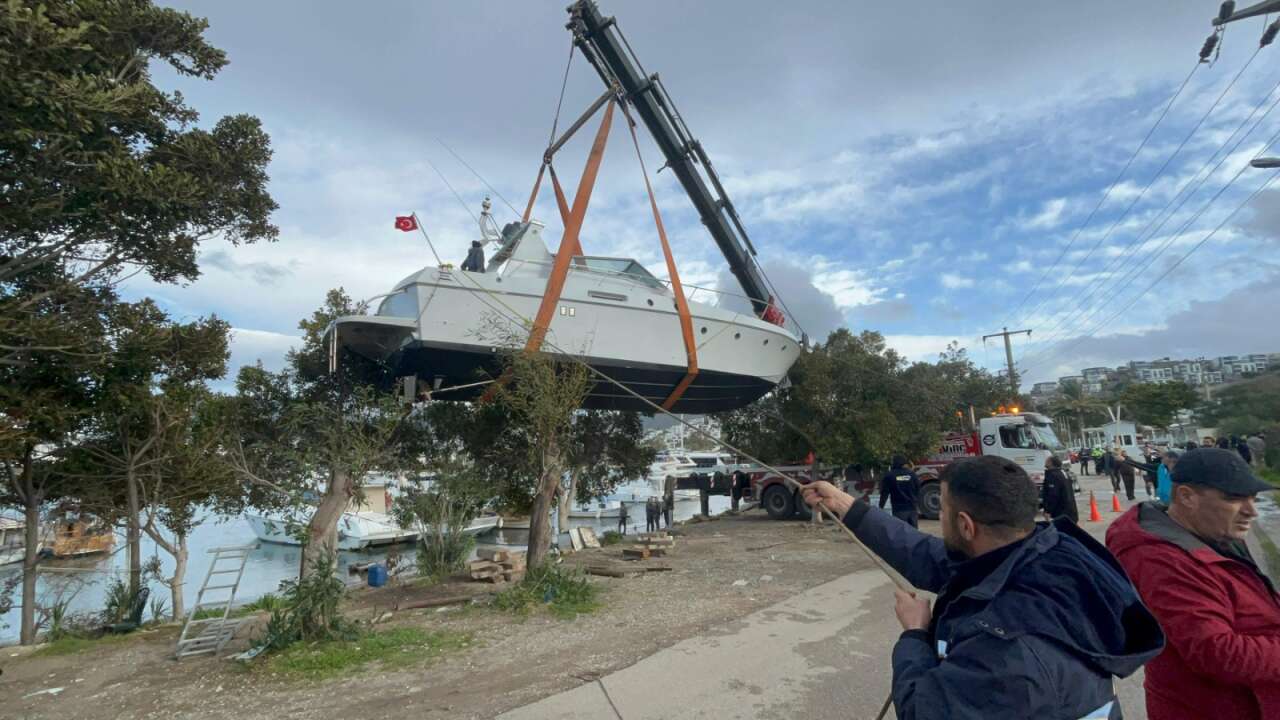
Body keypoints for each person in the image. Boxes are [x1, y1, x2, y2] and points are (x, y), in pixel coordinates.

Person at [800, 456, 1163, 717]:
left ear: (966, 525)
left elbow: (922, 710)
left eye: (941, 510)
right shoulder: (1041, 560)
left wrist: (913, 634)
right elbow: (927, 555)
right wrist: (847, 506)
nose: (937, 518)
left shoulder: (1010, 645)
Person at [1106, 448, 1280, 719]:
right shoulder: (1160, 560)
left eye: (1253, 498)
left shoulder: (1213, 531)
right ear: (1187, 496)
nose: (1251, 511)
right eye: (1234, 499)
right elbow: (1217, 653)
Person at [878, 455, 921, 527]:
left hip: (899, 510)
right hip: (912, 509)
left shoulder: (889, 475)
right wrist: (916, 502)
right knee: (913, 533)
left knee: (901, 532)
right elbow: (918, 489)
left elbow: (884, 493)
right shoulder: (912, 474)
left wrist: (881, 507)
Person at [1041, 455, 1078, 523]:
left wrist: (1048, 511)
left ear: (1050, 463)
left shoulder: (1053, 475)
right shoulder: (1063, 472)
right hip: (1070, 511)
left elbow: (1053, 495)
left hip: (1060, 513)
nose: (1045, 462)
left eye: (1046, 460)